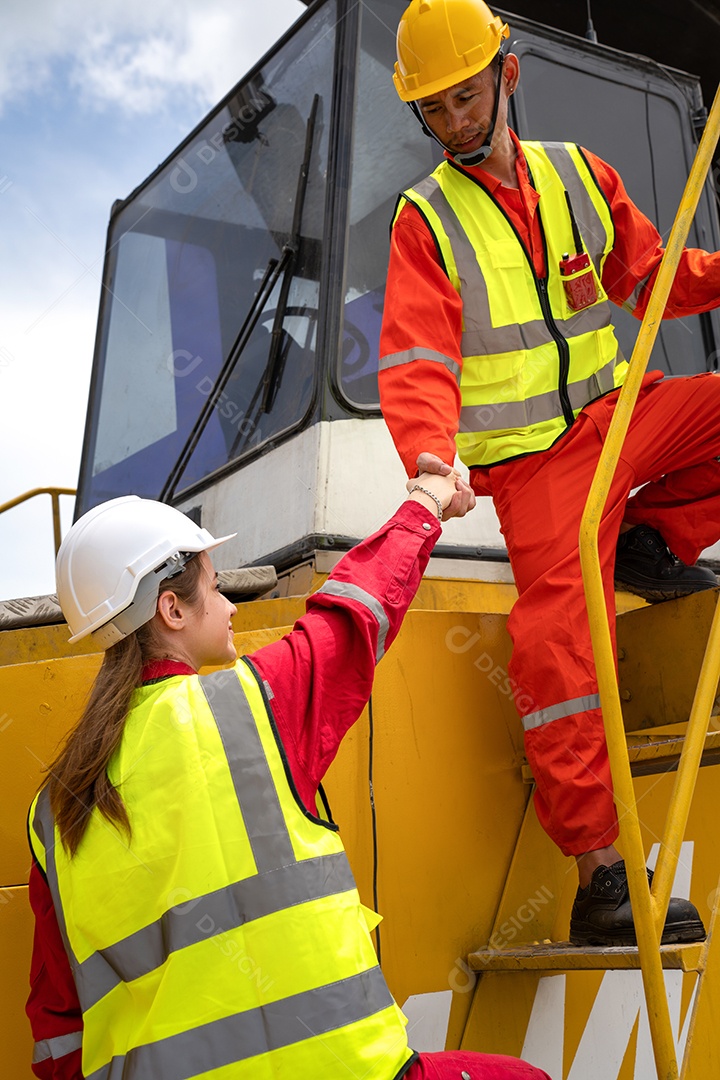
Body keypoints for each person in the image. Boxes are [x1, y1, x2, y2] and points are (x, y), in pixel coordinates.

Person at [380, 0, 720, 946]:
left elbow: (650, 278)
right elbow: (417, 359)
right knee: (558, 656)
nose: (453, 122)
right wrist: (429, 465)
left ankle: (655, 542)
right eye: (434, 110)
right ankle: (603, 879)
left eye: (464, 96)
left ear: (507, 74)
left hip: (620, 421)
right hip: (537, 474)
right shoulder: (425, 222)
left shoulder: (578, 175)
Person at [26, 483, 556, 1080]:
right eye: (216, 587)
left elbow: (57, 1030)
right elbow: (356, 614)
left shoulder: (55, 807)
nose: (231, 607)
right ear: (171, 610)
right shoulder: (247, 707)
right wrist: (426, 504)